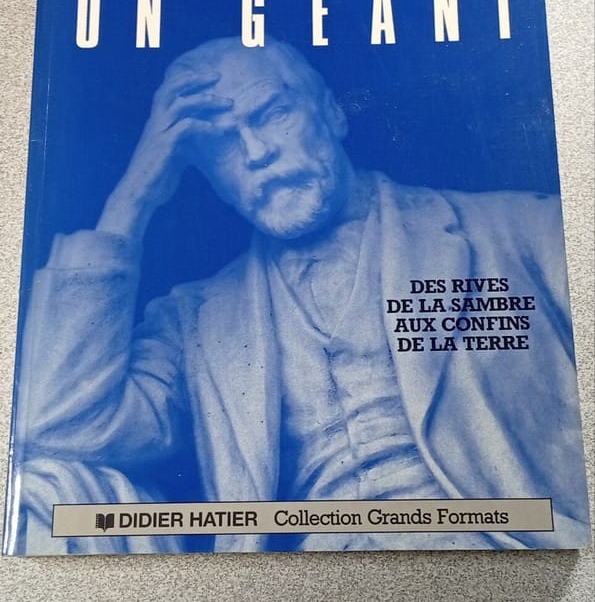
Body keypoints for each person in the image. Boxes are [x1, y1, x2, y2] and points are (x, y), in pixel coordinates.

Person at [13, 37, 589, 553]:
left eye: (272, 114)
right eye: (221, 147)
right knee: (40, 483)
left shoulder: (525, 232)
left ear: (332, 111)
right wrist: (131, 201)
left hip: (498, 552)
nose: (255, 152)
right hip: (313, 577)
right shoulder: (195, 321)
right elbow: (60, 422)